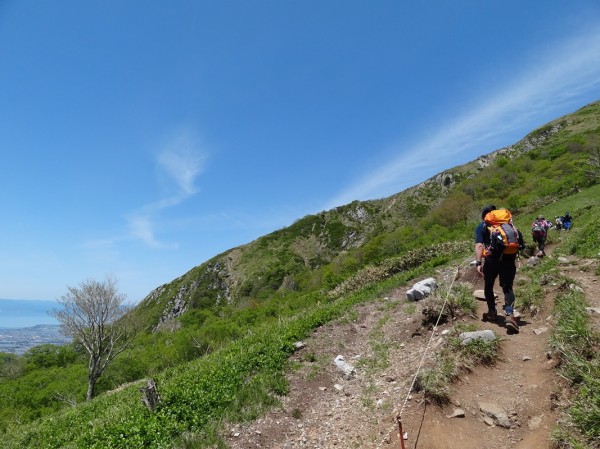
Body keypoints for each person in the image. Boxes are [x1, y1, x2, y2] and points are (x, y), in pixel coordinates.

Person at [474, 205, 524, 332]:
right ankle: (509, 315)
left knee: (489, 285)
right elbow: (520, 241)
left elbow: (479, 245)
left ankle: (492, 312)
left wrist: (478, 263)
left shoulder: (482, 226)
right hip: (509, 258)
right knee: (507, 287)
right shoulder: (508, 225)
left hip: (492, 260)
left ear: (484, 215)